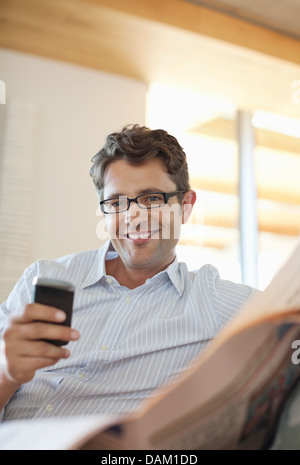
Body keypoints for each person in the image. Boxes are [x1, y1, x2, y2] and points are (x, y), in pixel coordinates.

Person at [0, 124, 255, 421]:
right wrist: (7, 373)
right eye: (117, 202)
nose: (134, 216)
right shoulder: (43, 278)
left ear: (185, 206)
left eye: (152, 199)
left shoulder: (212, 300)